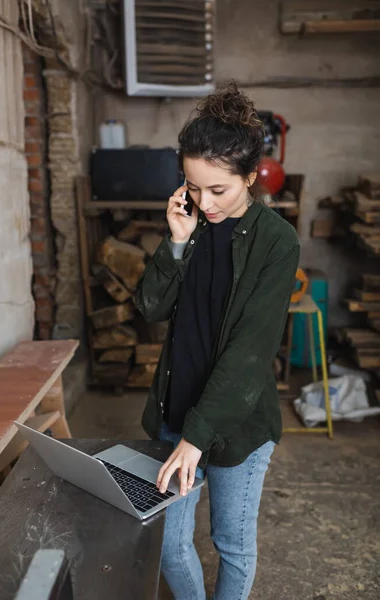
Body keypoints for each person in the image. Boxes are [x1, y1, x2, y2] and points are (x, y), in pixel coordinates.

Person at [135, 82, 300, 600]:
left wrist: (197, 436)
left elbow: (249, 354)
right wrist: (177, 241)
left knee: (231, 543)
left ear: (252, 177)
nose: (203, 202)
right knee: (168, 546)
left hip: (237, 425)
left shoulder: (276, 242)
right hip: (175, 410)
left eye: (218, 190)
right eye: (193, 186)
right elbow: (149, 308)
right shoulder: (194, 226)